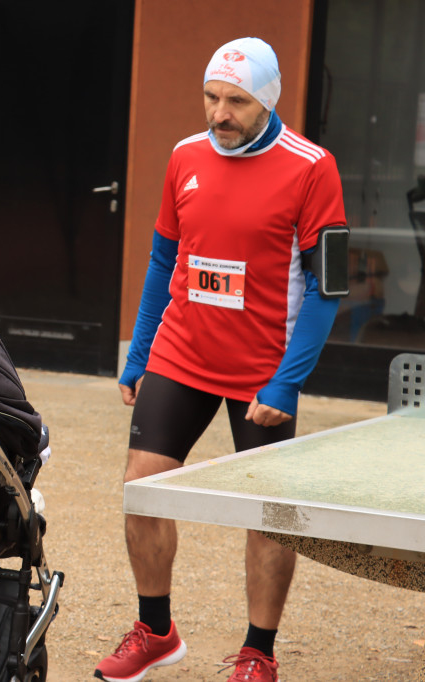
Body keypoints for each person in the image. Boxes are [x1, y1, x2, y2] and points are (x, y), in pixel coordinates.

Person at [95, 38, 346, 682]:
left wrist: (288, 383)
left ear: (266, 100)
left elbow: (328, 288)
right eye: (211, 97)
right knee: (141, 489)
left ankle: (258, 651)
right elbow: (162, 260)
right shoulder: (185, 156)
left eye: (235, 100)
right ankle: (155, 630)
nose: (218, 113)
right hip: (182, 352)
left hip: (264, 369)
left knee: (268, 514)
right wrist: (139, 352)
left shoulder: (313, 167)